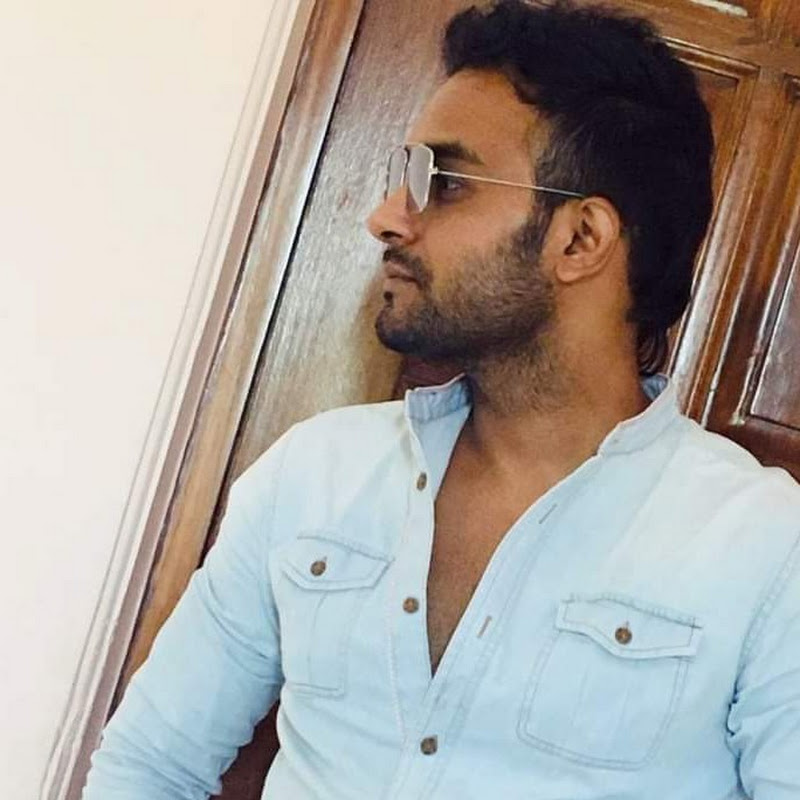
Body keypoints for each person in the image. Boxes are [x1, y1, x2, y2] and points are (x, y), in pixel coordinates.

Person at [84, 1, 800, 798]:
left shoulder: (766, 548)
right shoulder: (316, 474)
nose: (386, 218)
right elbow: (149, 765)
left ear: (580, 239)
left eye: (445, 182)